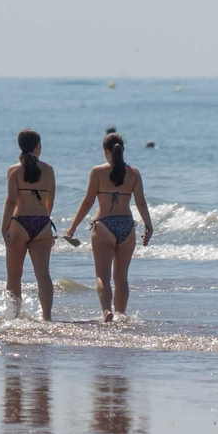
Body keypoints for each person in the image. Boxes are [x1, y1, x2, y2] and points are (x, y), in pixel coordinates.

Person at [64, 130, 153, 322]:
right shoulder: (134, 173)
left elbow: (88, 202)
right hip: (127, 226)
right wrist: (149, 226)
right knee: (121, 278)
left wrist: (72, 228)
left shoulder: (97, 172)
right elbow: (141, 203)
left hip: (104, 225)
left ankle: (106, 312)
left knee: (102, 276)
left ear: (105, 151)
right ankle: (121, 316)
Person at [0, 129, 57, 320]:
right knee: (43, 275)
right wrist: (44, 223)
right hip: (42, 223)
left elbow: (10, 202)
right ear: (38, 146)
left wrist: (4, 227)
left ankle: (14, 317)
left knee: (14, 275)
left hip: (19, 224)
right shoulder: (49, 170)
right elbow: (50, 202)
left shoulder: (14, 170)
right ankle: (47, 318)